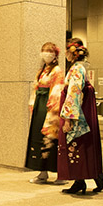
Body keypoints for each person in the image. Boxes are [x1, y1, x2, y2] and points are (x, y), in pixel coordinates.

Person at [58, 38, 103, 194]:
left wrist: (68, 119)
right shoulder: (82, 67)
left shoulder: (76, 69)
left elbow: (73, 93)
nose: (65, 54)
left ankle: (81, 180)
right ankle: (92, 175)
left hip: (78, 114)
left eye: (67, 51)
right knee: (86, 144)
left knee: (76, 144)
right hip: (84, 111)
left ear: (72, 53)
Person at [25, 42, 65, 184]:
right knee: (38, 137)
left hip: (50, 108)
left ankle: (61, 174)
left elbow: (57, 90)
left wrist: (52, 107)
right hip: (39, 106)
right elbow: (36, 87)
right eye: (44, 51)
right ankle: (42, 172)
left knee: (52, 139)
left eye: (49, 51)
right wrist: (33, 103)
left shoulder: (57, 71)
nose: (46, 53)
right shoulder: (42, 70)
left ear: (55, 54)